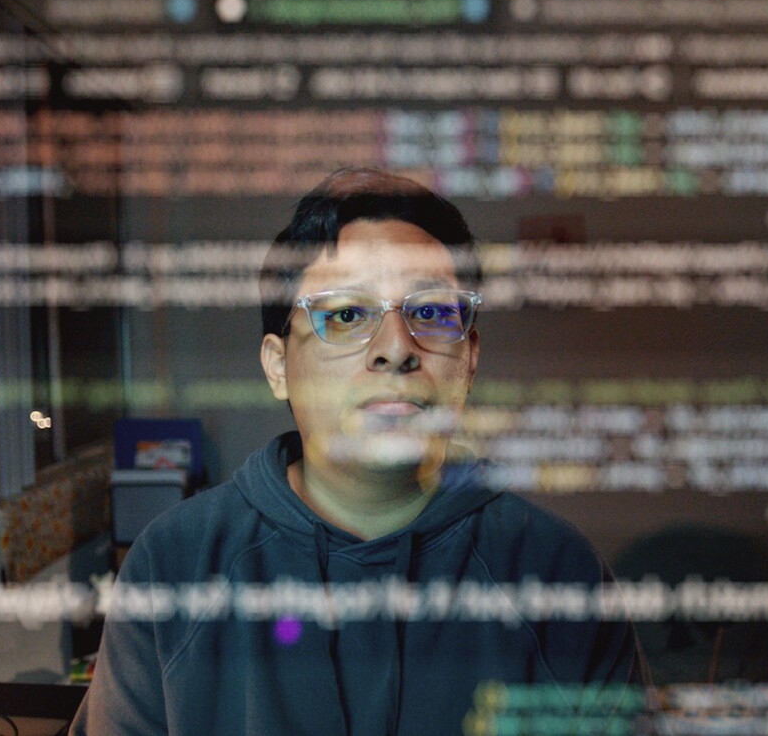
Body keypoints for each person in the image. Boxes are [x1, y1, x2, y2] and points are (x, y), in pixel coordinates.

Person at [70, 168, 639, 736]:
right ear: (277, 366)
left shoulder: (560, 574)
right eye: (345, 315)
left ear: (468, 358)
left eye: (434, 313)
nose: (396, 349)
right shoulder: (175, 565)